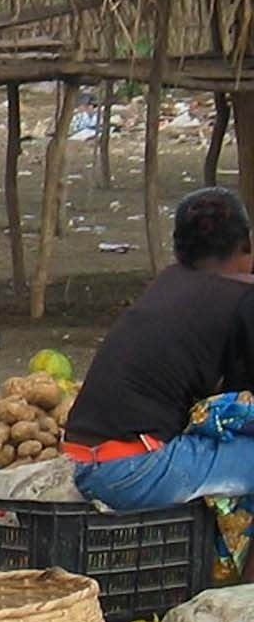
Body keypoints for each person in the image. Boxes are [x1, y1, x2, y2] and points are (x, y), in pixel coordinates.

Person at [66, 187, 254, 510]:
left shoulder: (167, 285)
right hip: (134, 470)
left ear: (179, 251)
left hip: (81, 462)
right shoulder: (241, 299)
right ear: (247, 245)